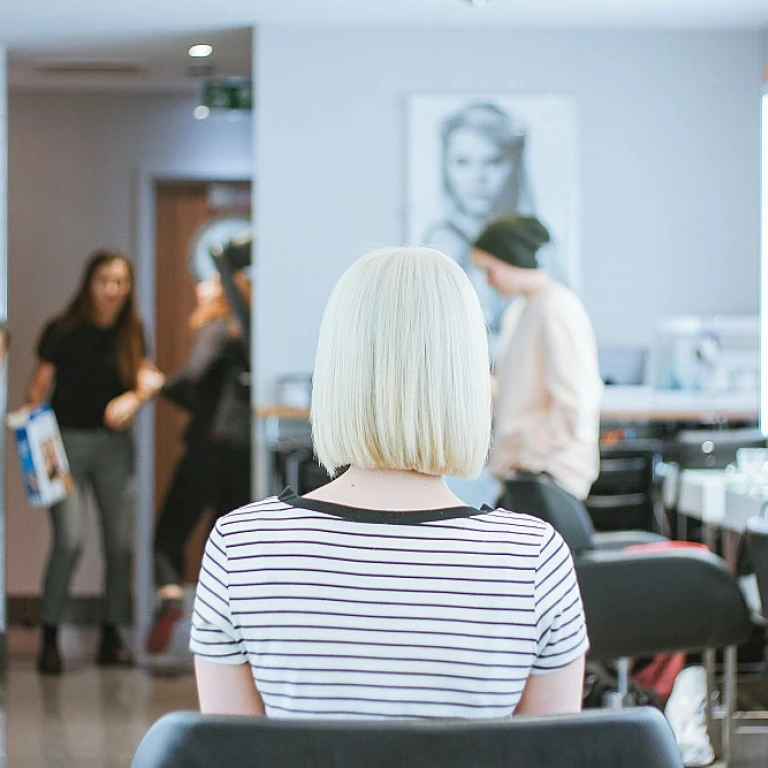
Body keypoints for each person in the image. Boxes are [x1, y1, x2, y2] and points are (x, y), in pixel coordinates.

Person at [190, 246, 588, 718]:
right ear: (469, 380)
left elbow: (233, 754)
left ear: (336, 370)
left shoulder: (241, 546)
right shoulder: (533, 558)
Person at [25, 248, 164, 675]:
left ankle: (112, 636)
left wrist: (135, 399)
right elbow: (36, 393)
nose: (113, 290)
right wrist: (36, 449)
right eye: (105, 280)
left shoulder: (133, 332)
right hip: (64, 444)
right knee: (69, 540)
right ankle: (49, 637)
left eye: (121, 282)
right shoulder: (62, 330)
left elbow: (149, 379)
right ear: (89, 283)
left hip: (114, 448)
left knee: (120, 545)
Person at [147, 271, 251, 655]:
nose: (199, 286)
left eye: (207, 281)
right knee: (219, 539)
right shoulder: (247, 334)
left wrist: (159, 385)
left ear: (223, 291)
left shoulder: (216, 328)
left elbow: (192, 377)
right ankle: (220, 624)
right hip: (242, 451)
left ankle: (172, 596)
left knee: (169, 533)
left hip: (209, 448)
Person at [471, 214, 603, 504]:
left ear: (512, 257)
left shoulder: (557, 309)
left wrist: (527, 452)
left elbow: (573, 404)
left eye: (490, 269)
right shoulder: (520, 312)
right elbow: (520, 390)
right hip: (523, 473)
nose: (488, 281)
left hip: (547, 475)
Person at [422, 102, 536, 333]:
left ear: (513, 165)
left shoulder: (536, 247)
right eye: (463, 162)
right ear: (446, 166)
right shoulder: (442, 244)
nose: (477, 178)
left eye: (493, 162)